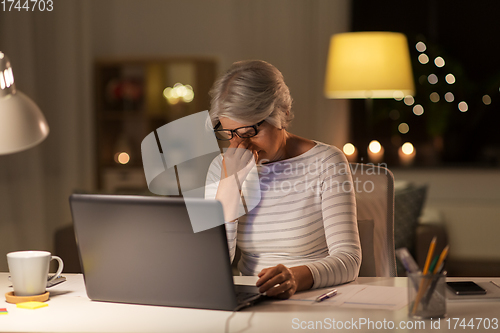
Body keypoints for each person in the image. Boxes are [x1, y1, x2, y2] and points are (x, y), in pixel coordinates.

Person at [204, 60, 361, 299]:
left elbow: (348, 259)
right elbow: (210, 266)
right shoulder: (223, 167)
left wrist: (295, 277)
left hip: (314, 296)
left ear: (283, 114)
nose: (241, 145)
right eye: (230, 134)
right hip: (251, 297)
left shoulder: (327, 161)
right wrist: (230, 184)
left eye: (250, 132)